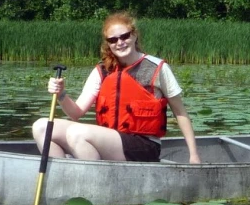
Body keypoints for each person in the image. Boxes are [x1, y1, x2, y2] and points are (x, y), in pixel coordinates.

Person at [32, 11, 201, 164]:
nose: (120, 43)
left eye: (124, 36)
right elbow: (76, 113)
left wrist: (194, 155)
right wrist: (61, 94)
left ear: (134, 36)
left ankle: (96, 184)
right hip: (109, 141)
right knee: (41, 127)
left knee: (77, 133)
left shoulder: (157, 68)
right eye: (113, 40)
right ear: (108, 44)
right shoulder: (102, 70)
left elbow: (180, 113)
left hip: (144, 146)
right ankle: (63, 178)